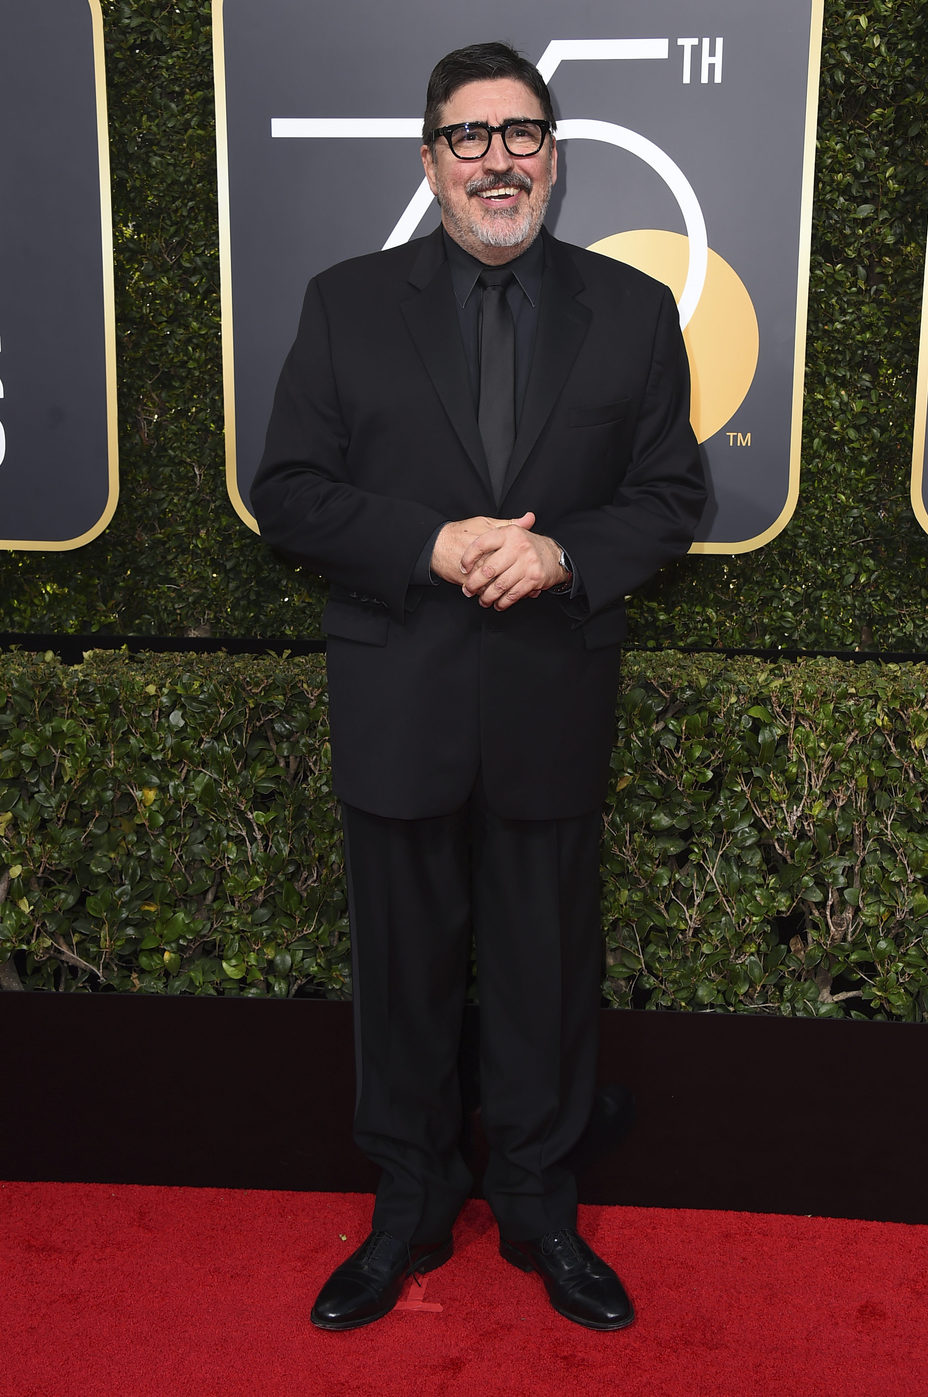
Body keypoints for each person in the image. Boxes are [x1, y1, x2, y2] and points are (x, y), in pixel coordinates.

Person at [251, 40, 706, 1333]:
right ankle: (405, 1203)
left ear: (552, 158)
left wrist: (565, 550)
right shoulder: (346, 303)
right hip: (398, 693)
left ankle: (540, 1202)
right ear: (430, 158)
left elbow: (674, 496)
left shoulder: (629, 310)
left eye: (523, 133)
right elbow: (287, 490)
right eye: (471, 134)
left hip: (552, 695)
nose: (499, 157)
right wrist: (428, 542)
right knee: (400, 968)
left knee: (546, 965)